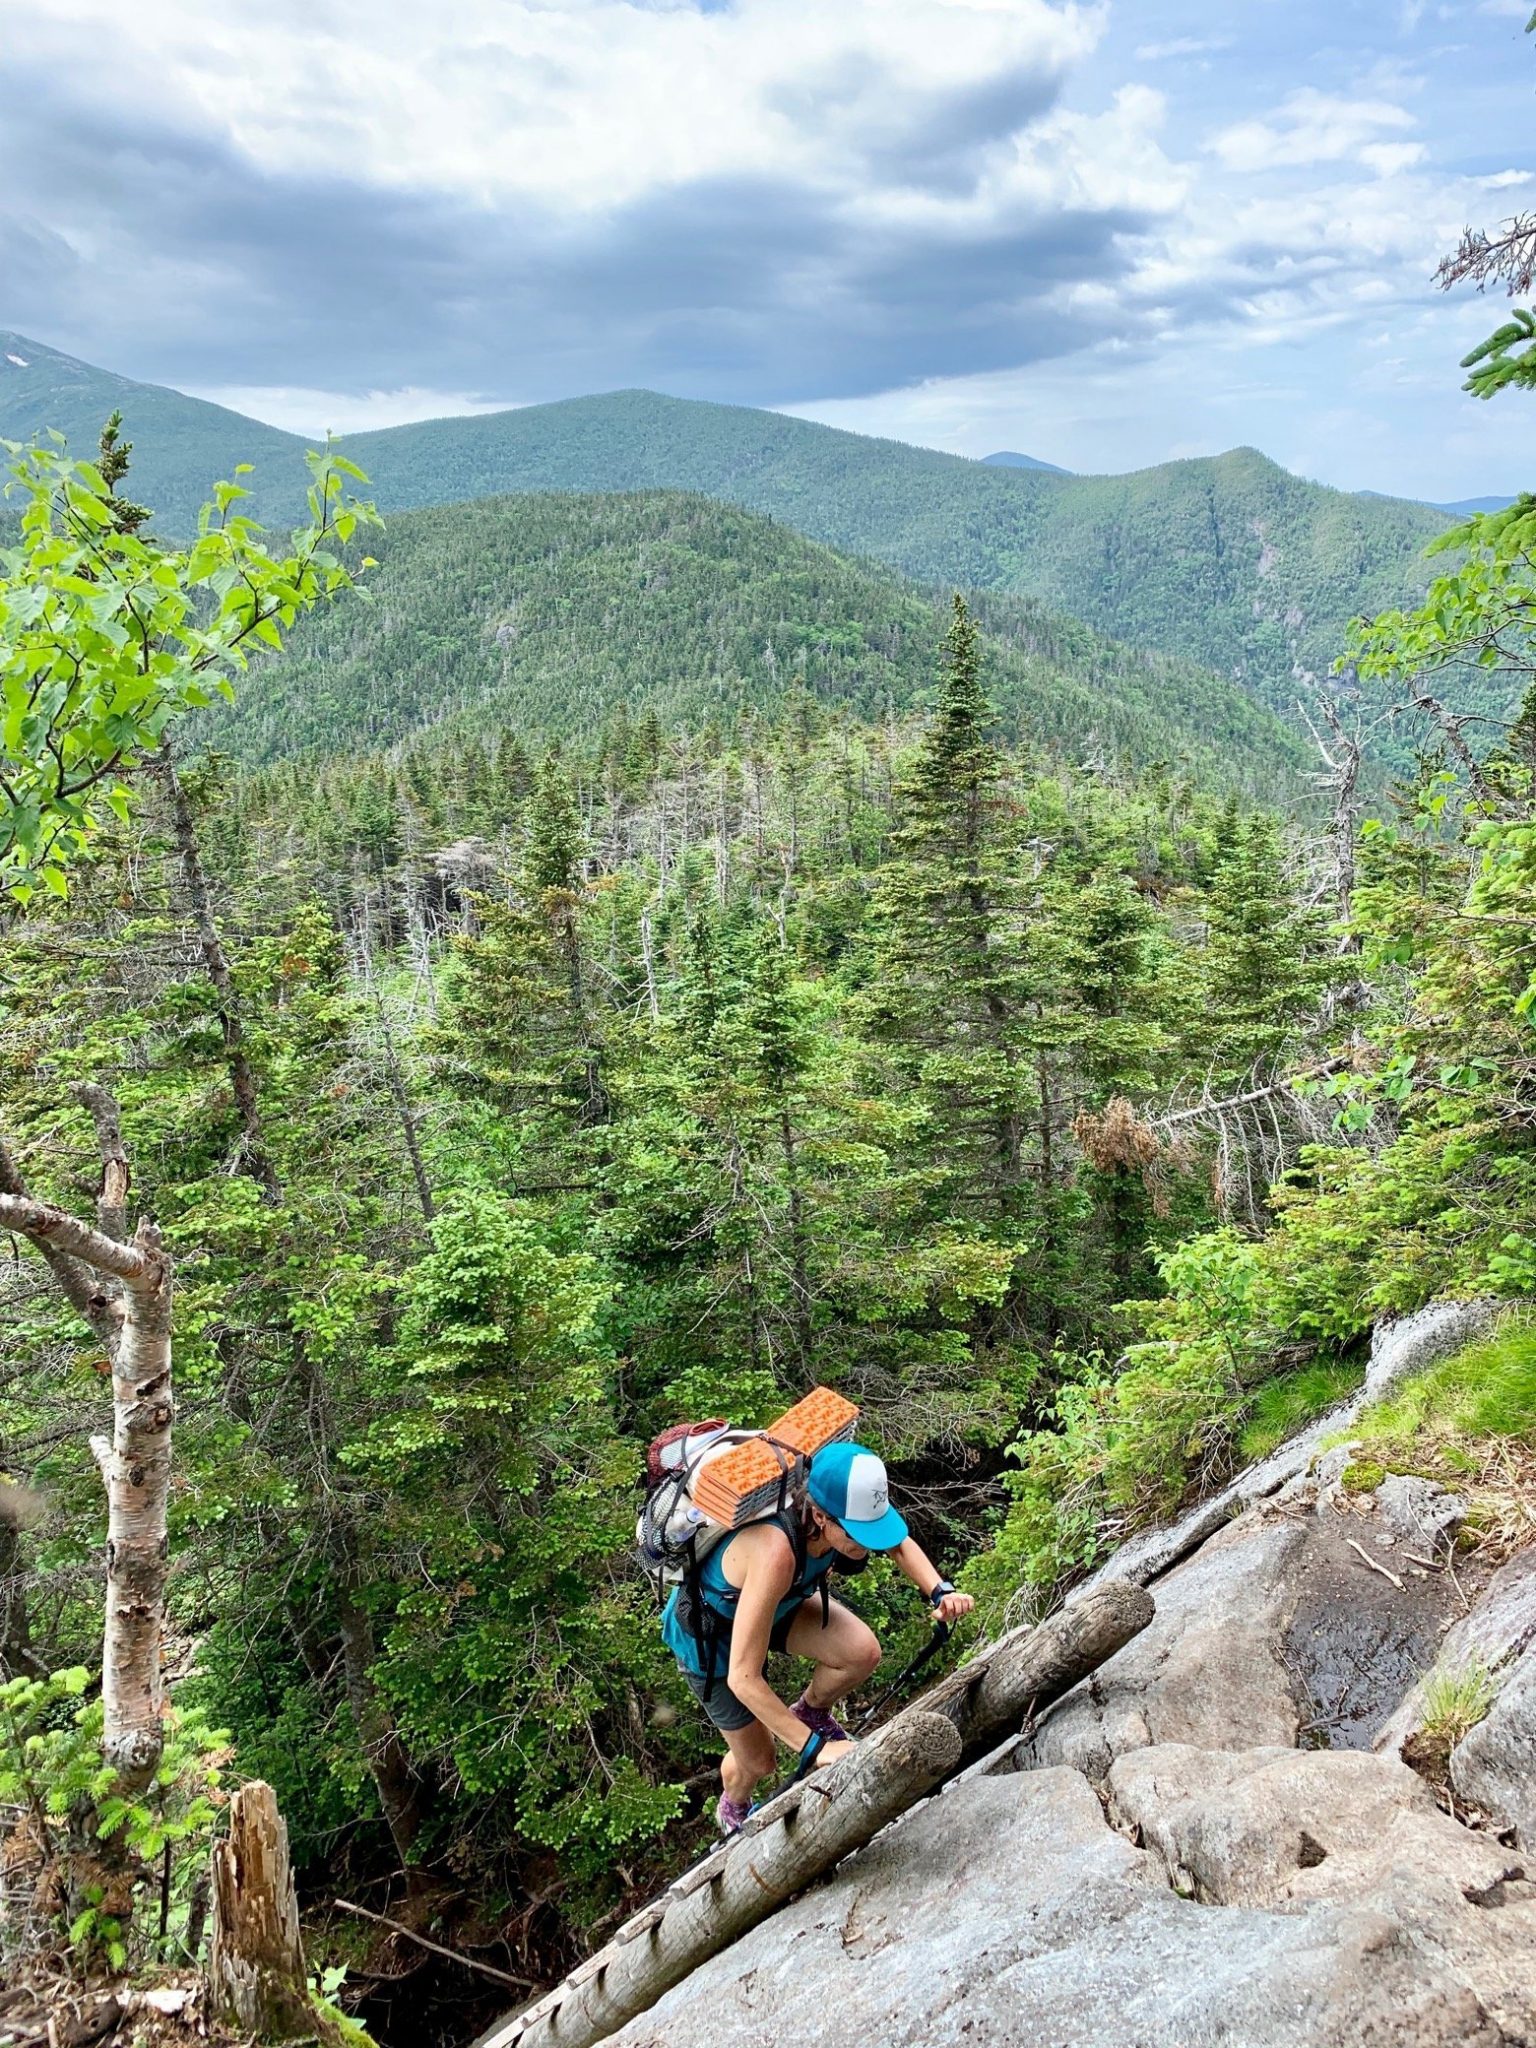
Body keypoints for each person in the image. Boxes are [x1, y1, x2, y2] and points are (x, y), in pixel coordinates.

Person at [661, 1439, 976, 1834]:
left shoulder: (843, 1507)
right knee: (760, 1761)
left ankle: (810, 1710)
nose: (868, 1544)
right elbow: (743, 1677)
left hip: (776, 1604)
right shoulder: (775, 1551)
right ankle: (732, 1808)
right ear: (822, 1518)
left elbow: (897, 1543)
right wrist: (818, 1750)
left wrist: (940, 1591)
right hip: (710, 1639)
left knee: (861, 1652)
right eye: (860, 1534)